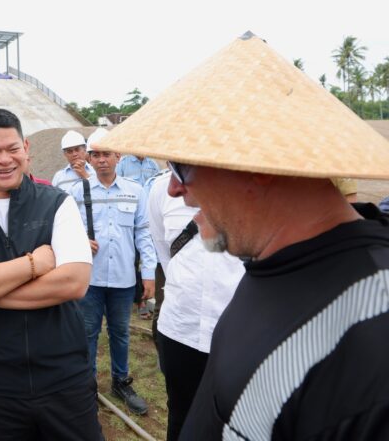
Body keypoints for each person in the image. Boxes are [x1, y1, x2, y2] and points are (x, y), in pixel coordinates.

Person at [100, 31, 389, 440]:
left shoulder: (374, 334)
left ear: (256, 165)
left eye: (184, 167)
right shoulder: (271, 266)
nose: (173, 189)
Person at [0, 109, 103, 441]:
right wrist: (33, 265)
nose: (4, 160)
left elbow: (74, 281)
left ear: (26, 148)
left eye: (12, 149)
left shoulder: (58, 204)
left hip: (64, 377)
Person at [146, 170, 244, 440]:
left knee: (234, 421)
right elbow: (164, 251)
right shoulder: (159, 189)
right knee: (181, 412)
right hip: (180, 328)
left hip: (237, 332)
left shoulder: (250, 186)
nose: (174, 188)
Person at [70, 128, 157, 415]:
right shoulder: (77, 193)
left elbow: (144, 232)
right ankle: (87, 384)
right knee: (88, 332)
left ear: (118, 156)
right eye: (95, 155)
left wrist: (148, 272)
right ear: (89, 159)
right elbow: (65, 232)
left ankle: (121, 381)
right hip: (90, 279)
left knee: (120, 333)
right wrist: (80, 240)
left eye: (106, 154)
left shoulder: (135, 191)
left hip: (122, 279)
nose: (101, 160)